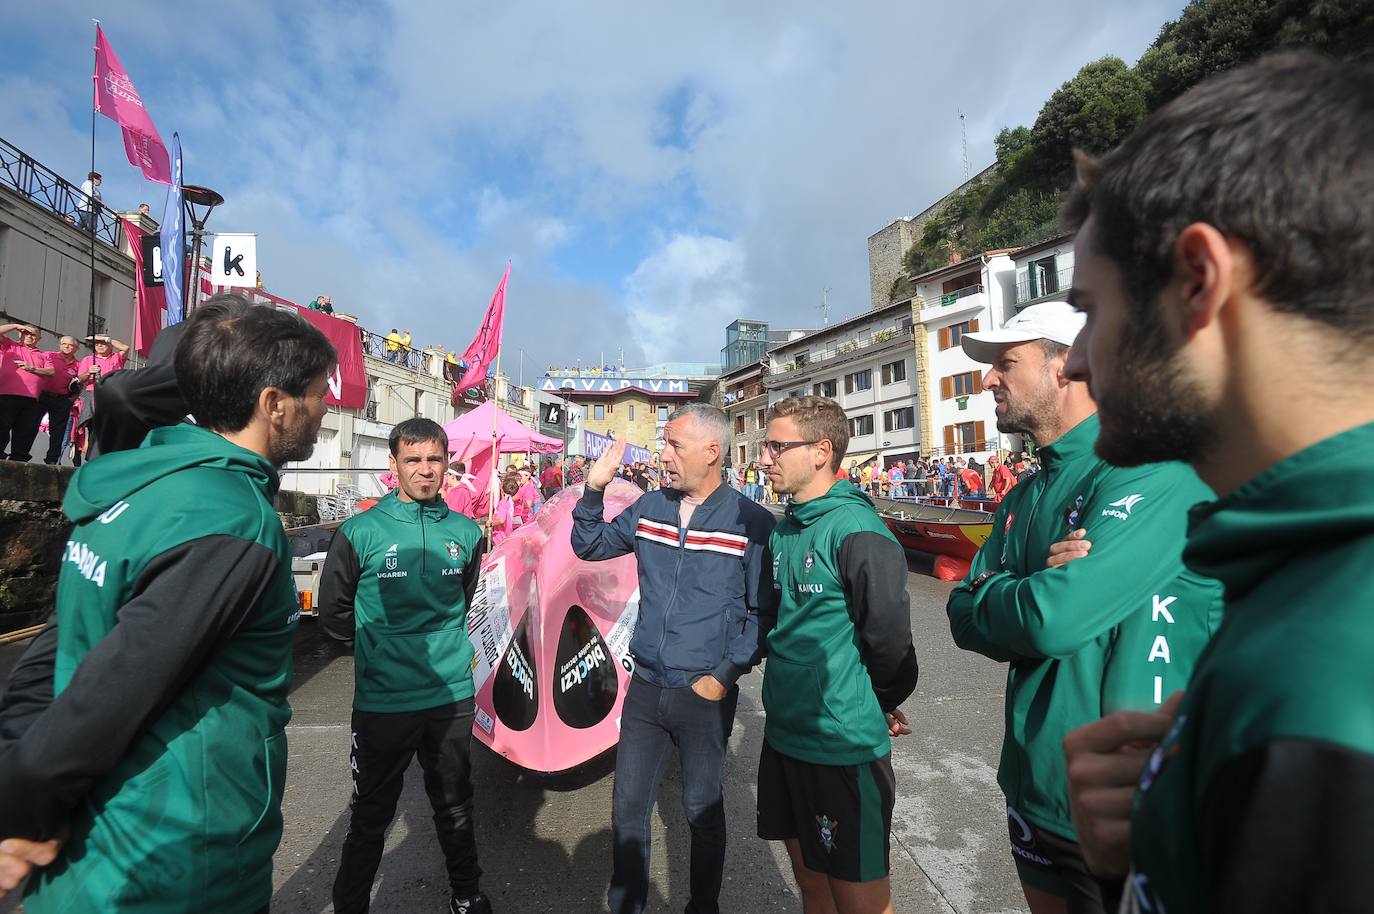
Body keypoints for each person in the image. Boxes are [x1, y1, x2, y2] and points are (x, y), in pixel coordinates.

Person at [1054, 52, 1374, 914]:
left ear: (1198, 282)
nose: (1075, 362)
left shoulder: (1325, 679)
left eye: (1089, 310)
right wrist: (1158, 853)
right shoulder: (1299, 576)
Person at [0, 293, 336, 912]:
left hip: (102, 852)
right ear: (274, 404)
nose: (323, 408)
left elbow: (59, 644)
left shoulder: (142, 484)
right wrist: (23, 806)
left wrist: (20, 784)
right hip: (174, 861)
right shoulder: (233, 519)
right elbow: (117, 685)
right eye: (317, 394)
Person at [945, 301, 1222, 914]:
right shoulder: (1026, 490)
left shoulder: (1153, 470)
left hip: (1135, 806)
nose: (987, 380)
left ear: (1067, 365)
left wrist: (1005, 590)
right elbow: (962, 611)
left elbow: (1055, 620)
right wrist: (1024, 586)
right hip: (1034, 788)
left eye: (1006, 363)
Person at [571, 403, 777, 914]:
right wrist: (593, 489)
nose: (663, 455)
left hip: (704, 693)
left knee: (701, 810)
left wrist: (724, 675)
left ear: (712, 452)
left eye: (674, 445)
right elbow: (589, 545)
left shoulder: (751, 523)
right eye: (664, 444)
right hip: (645, 686)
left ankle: (703, 906)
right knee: (628, 808)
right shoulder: (650, 508)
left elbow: (763, 614)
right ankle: (627, 905)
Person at [318, 418, 492, 914]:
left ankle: (466, 896)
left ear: (447, 463)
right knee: (371, 815)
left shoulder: (467, 533)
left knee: (455, 806)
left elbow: (462, 600)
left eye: (434, 459)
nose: (424, 470)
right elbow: (334, 615)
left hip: (449, 697)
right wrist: (382, 654)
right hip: (384, 701)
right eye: (413, 460)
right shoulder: (360, 531)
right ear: (393, 464)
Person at [756, 396, 919, 914]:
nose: (763, 458)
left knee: (862, 902)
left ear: (821, 451)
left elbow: (890, 644)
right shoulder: (785, 528)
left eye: (776, 446)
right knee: (813, 886)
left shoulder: (857, 531)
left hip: (841, 749)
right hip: (785, 737)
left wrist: (877, 702)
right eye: (765, 446)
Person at [0, 324, 54, 461]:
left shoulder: (43, 355)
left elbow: (51, 371)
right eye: (25, 333)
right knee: (2, 427)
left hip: (31, 398)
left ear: (39, 338)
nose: (29, 336)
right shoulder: (11, 346)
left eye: (33, 334)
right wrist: (15, 325)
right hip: (7, 395)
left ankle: (18, 460)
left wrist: (31, 368)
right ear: (20, 334)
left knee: (24, 431)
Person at [38, 336, 81, 465]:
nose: (66, 347)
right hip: (42, 396)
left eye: (70, 345)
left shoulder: (78, 365)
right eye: (64, 344)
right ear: (60, 345)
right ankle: (21, 455)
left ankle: (52, 460)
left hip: (62, 399)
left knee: (58, 432)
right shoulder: (48, 355)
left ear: (77, 349)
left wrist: (70, 400)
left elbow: (80, 385)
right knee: (31, 426)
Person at [489, 475, 522, 547]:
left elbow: (502, 520)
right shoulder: (510, 500)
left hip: (499, 537)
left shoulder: (503, 503)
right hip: (506, 534)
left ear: (502, 490)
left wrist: (491, 523)